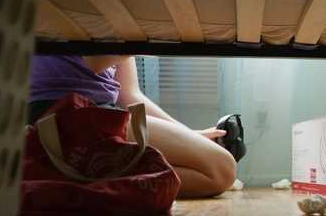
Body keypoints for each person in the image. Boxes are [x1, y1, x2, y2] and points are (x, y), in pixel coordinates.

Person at [27, 55, 237, 198]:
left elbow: (129, 95)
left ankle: (68, 177)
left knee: (221, 171)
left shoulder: (122, 17)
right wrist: (146, 33)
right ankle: (80, 178)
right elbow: (95, 60)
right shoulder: (78, 0)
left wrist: (189, 134)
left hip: (103, 113)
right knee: (222, 168)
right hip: (48, 113)